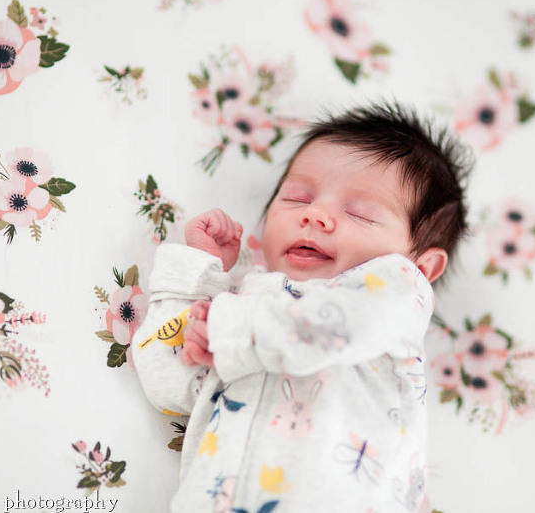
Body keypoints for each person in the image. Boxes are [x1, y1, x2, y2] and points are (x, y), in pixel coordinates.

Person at [132, 101, 471, 513]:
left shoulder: (398, 295)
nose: (314, 214)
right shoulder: (240, 302)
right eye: (296, 198)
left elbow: (336, 328)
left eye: (360, 213)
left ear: (422, 266)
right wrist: (199, 276)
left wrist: (232, 329)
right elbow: (168, 382)